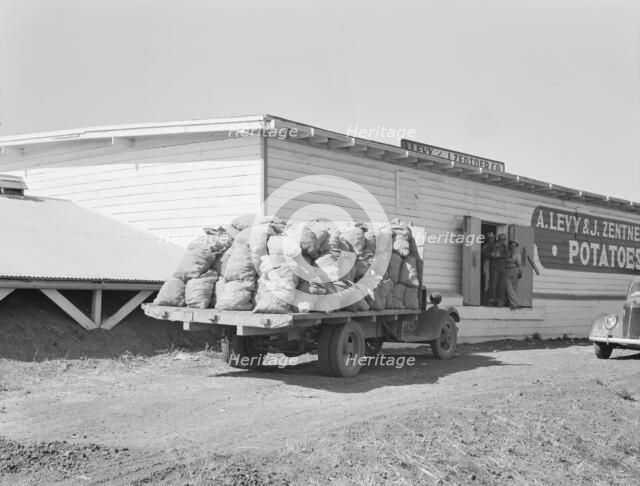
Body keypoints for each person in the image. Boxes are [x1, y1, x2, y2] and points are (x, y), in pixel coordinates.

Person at [489, 233, 508, 306]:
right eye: (502, 239)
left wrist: (500, 255)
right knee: (493, 284)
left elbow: (507, 255)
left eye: (504, 239)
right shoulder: (492, 245)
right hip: (494, 267)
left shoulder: (504, 246)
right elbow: (486, 253)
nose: (503, 241)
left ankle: (499, 301)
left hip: (502, 267)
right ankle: (491, 300)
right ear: (499, 239)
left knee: (501, 285)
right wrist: (491, 255)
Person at [505, 240, 522, 310]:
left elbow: (519, 263)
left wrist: (520, 271)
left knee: (514, 288)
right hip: (507, 270)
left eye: (514, 246)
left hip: (514, 270)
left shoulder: (517, 254)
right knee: (508, 287)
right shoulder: (507, 253)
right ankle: (517, 303)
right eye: (512, 245)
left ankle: (513, 304)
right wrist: (513, 260)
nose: (513, 247)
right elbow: (505, 260)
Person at [481, 232, 495, 305]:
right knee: (487, 283)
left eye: (492, 238)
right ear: (487, 239)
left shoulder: (495, 246)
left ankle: (491, 300)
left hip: (494, 265)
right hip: (487, 264)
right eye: (489, 238)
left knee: (493, 282)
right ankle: (485, 300)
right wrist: (491, 255)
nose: (491, 239)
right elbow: (484, 255)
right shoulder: (485, 247)